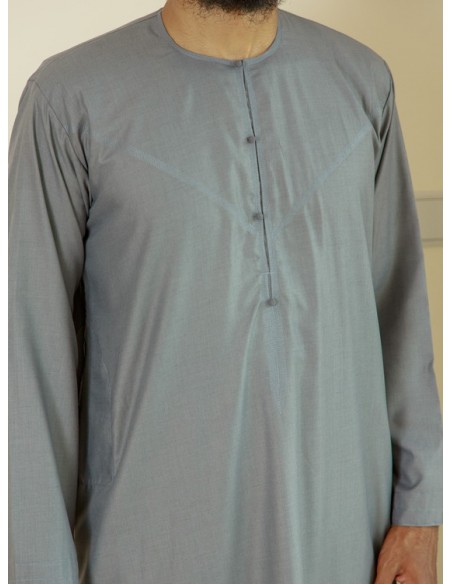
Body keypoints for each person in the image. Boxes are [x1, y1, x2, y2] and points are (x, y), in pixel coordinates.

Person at [8, 0, 443, 582]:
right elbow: (28, 367)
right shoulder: (68, 101)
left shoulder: (363, 83)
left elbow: (401, 315)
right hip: (153, 554)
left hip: (344, 548)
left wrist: (421, 513)